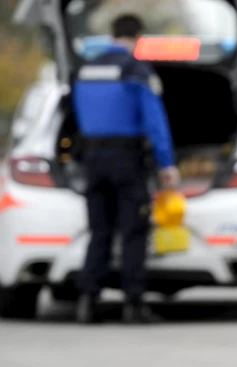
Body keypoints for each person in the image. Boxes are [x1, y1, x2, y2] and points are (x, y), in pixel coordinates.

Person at [72, 14, 180, 325]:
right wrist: (166, 163)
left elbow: (77, 115)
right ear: (138, 37)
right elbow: (154, 122)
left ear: (112, 35)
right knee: (133, 230)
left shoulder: (85, 70)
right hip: (127, 160)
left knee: (100, 231)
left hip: (93, 160)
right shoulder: (136, 71)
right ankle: (133, 305)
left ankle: (87, 301)